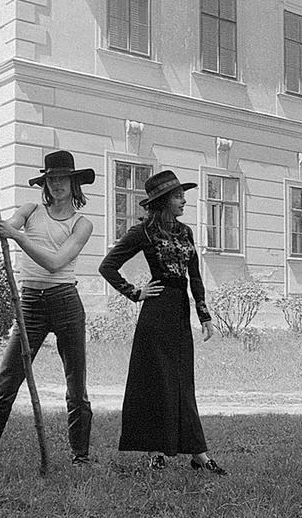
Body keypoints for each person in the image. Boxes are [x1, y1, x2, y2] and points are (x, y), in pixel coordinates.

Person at [0, 150, 95, 478]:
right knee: (6, 383)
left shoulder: (82, 224)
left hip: (66, 303)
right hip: (30, 305)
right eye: (52, 179)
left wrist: (18, 237)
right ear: (45, 184)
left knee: (76, 385)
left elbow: (55, 262)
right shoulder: (30, 210)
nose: (57, 184)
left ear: (74, 183)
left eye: (63, 178)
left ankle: (80, 455)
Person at [98, 169, 227, 475]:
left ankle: (198, 454)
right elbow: (108, 266)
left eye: (183, 195)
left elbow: (194, 276)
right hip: (155, 313)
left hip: (179, 311)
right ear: (164, 200)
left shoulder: (186, 232)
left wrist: (204, 314)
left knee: (182, 381)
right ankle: (155, 451)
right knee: (155, 380)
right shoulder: (143, 232)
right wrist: (135, 292)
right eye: (178, 196)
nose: (184, 201)